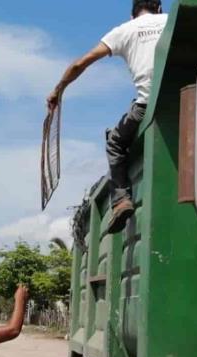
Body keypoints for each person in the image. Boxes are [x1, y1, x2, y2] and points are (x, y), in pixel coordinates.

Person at [47, 0, 167, 233]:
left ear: (133, 15)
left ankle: (121, 200)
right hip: (188, 97)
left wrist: (58, 90)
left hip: (147, 106)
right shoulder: (171, 21)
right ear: (159, 9)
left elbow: (81, 63)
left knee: (115, 142)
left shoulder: (123, 31)